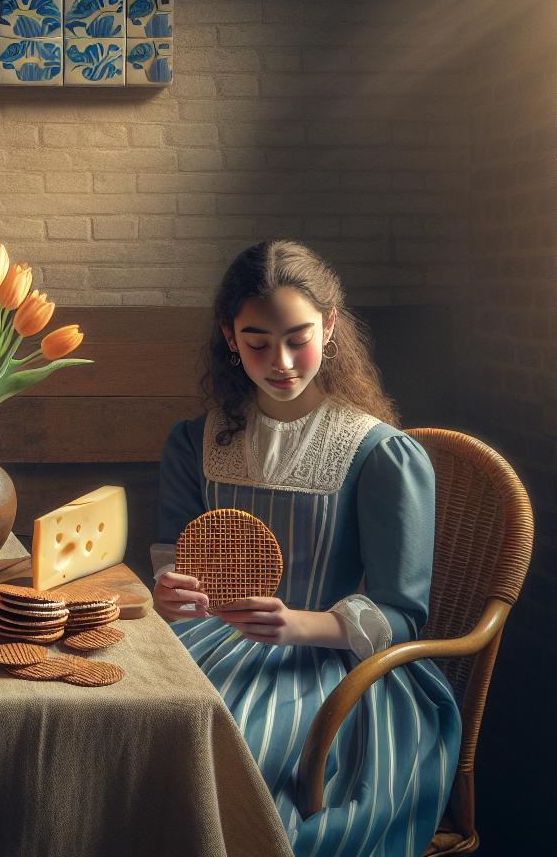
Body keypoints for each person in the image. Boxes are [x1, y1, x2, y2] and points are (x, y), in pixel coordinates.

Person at [152, 240, 460, 857]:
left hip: (329, 666)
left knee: (232, 753)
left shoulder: (380, 453)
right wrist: (171, 591)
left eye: (299, 339)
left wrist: (296, 625)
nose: (282, 362)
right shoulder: (194, 442)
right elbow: (175, 556)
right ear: (230, 337)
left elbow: (403, 613)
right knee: (137, 722)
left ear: (331, 325)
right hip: (203, 643)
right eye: (258, 342)